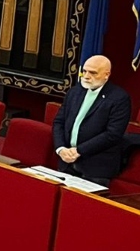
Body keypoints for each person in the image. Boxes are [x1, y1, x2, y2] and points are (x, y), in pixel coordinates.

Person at [53, 55, 132, 185]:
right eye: (84, 71)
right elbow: (59, 122)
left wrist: (79, 150)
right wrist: (61, 148)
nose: (86, 76)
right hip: (67, 162)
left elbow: (113, 134)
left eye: (93, 72)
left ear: (106, 75)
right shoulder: (75, 91)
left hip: (96, 167)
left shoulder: (119, 98)